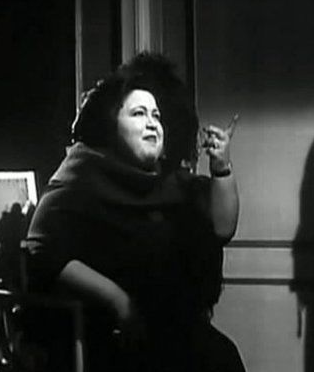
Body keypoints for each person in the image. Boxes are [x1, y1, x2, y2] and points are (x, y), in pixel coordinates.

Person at [23, 52, 245, 372]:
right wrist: (117, 300)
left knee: (221, 358)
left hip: (170, 330)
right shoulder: (83, 171)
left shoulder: (170, 182)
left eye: (156, 115)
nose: (152, 122)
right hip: (105, 334)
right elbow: (41, 250)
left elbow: (222, 228)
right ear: (111, 125)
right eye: (138, 113)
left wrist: (222, 167)